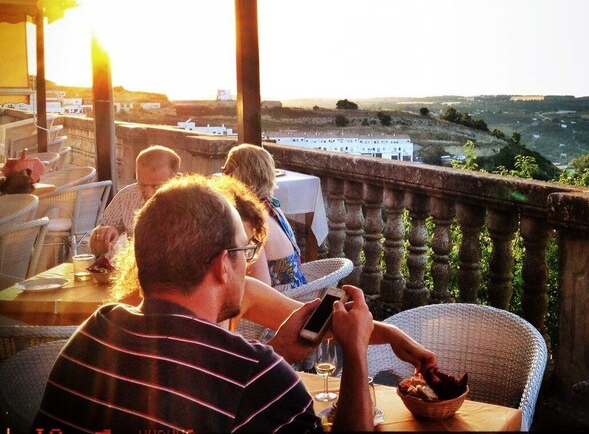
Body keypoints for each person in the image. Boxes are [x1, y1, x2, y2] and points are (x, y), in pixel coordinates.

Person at [34, 174, 376, 432]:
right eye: (245, 251)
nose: (248, 263)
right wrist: (357, 353)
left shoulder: (94, 333)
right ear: (221, 266)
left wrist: (276, 351)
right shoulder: (257, 375)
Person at [109, 173, 437, 373]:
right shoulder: (138, 316)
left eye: (253, 246)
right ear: (215, 258)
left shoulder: (244, 293)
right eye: (243, 249)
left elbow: (325, 323)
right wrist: (271, 360)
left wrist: (393, 336)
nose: (248, 262)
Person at [222, 143, 305, 289]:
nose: (222, 175)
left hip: (281, 299)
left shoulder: (249, 220)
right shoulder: (272, 207)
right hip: (300, 289)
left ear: (235, 175)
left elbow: (260, 285)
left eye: (226, 170)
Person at [89, 145, 180, 258]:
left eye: (156, 186)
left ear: (176, 179)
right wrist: (100, 237)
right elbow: (96, 249)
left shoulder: (190, 205)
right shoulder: (127, 196)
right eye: (142, 184)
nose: (149, 194)